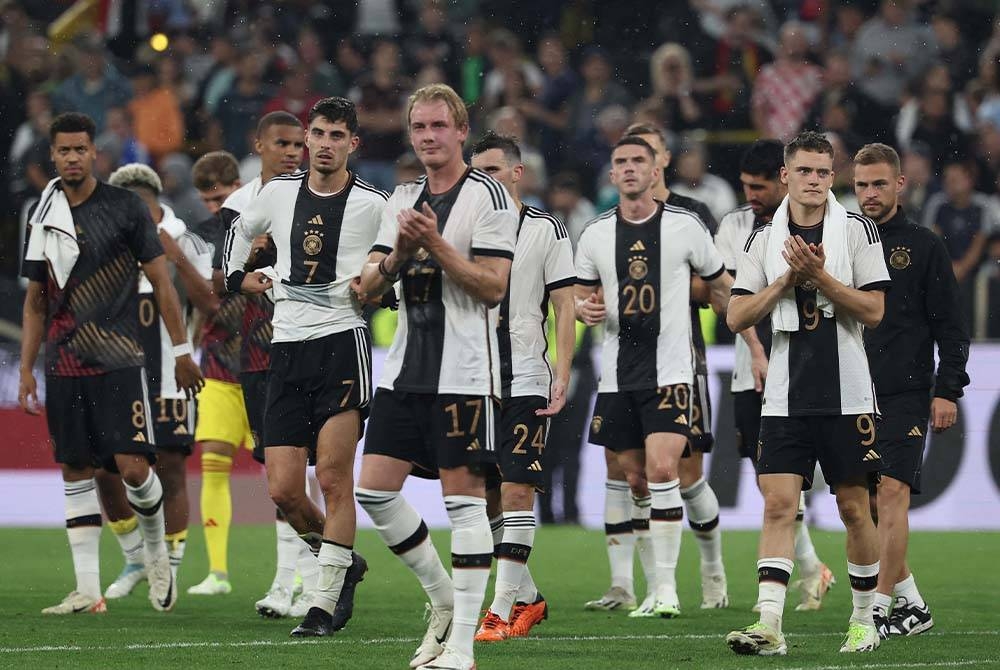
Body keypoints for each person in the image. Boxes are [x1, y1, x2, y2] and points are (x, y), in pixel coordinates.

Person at [353, 83, 517, 670]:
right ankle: (445, 599)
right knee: (373, 488)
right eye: (419, 128)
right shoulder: (400, 198)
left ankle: (464, 648)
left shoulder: (491, 195)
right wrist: (396, 255)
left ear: (461, 131)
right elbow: (364, 291)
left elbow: (493, 286)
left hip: (465, 372)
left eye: (438, 127)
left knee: (465, 502)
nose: (427, 137)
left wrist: (436, 246)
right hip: (403, 370)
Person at [18, 112, 204, 614]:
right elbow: (36, 298)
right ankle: (86, 588)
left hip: (121, 358)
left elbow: (164, 283)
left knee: (134, 468)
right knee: (75, 469)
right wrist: (26, 368)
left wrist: (182, 351)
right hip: (63, 362)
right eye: (64, 151)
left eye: (81, 149)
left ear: (94, 152)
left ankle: (155, 553)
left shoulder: (125, 208)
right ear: (53, 155)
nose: (73, 158)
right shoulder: (43, 212)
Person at [224, 97, 386, 637]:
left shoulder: (372, 204)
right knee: (284, 491)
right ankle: (344, 563)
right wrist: (235, 279)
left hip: (344, 345)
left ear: (352, 144)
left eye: (336, 135)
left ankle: (321, 603)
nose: (323, 143)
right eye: (317, 133)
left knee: (335, 478)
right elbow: (236, 233)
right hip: (287, 346)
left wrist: (381, 288)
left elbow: (395, 264)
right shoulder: (276, 193)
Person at [725, 131, 890, 656]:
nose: (815, 181)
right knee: (778, 505)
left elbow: (874, 311)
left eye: (823, 172)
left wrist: (820, 278)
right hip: (784, 395)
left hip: (847, 393)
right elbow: (735, 316)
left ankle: (865, 619)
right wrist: (782, 283)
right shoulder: (762, 239)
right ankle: (769, 626)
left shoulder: (858, 230)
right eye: (804, 172)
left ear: (832, 175)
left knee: (853, 508)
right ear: (786, 176)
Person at [575, 135, 733, 620]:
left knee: (668, 471)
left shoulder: (685, 225)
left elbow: (720, 284)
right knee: (636, 479)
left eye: (637, 160)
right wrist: (586, 308)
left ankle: (668, 588)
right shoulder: (596, 234)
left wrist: (745, 332)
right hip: (619, 376)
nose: (628, 168)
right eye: (620, 161)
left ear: (655, 168)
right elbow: (582, 299)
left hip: (673, 371)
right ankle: (643, 587)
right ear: (611, 174)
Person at [854, 143, 970, 639]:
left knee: (892, 491)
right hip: (850, 392)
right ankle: (913, 605)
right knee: (858, 505)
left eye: (879, 183)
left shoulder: (923, 245)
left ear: (900, 184)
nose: (869, 194)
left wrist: (947, 390)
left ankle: (877, 611)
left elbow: (951, 326)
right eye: (861, 184)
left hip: (904, 391)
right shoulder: (840, 242)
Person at [714, 139, 837, 612]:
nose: (751, 195)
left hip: (810, 371)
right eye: (745, 186)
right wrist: (756, 351)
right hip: (753, 370)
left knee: (794, 482)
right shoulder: (735, 226)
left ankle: (819, 574)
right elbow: (727, 296)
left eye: (758, 186)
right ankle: (809, 569)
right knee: (769, 479)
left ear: (780, 180)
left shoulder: (823, 225)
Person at [212, 111, 322, 620]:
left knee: (317, 470)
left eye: (298, 144)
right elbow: (220, 280)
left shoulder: (318, 198)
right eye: (281, 142)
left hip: (313, 345)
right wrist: (249, 265)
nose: (291, 152)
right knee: (279, 475)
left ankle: (311, 580)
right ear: (257, 144)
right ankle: (290, 581)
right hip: (258, 354)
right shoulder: (238, 206)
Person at [468, 132, 576, 641]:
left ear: (517, 173)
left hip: (527, 379)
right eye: (476, 170)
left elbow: (564, 305)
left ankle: (499, 609)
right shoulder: (461, 230)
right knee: (483, 496)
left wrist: (563, 371)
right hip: (471, 380)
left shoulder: (546, 228)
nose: (482, 180)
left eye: (491, 170)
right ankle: (529, 599)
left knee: (515, 490)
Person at [99, 163, 216, 598]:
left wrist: (176, 256)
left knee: (170, 469)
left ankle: (169, 568)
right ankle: (136, 558)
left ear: (153, 200)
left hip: (171, 376)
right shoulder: (108, 242)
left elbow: (211, 303)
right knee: (104, 470)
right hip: (116, 373)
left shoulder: (185, 238)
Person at [186, 151, 253, 596]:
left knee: (285, 470)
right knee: (212, 459)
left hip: (267, 365)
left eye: (221, 197)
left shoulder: (261, 226)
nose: (215, 208)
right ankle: (217, 572)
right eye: (207, 201)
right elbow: (201, 305)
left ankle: (301, 574)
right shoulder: (197, 239)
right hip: (218, 364)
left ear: (237, 187)